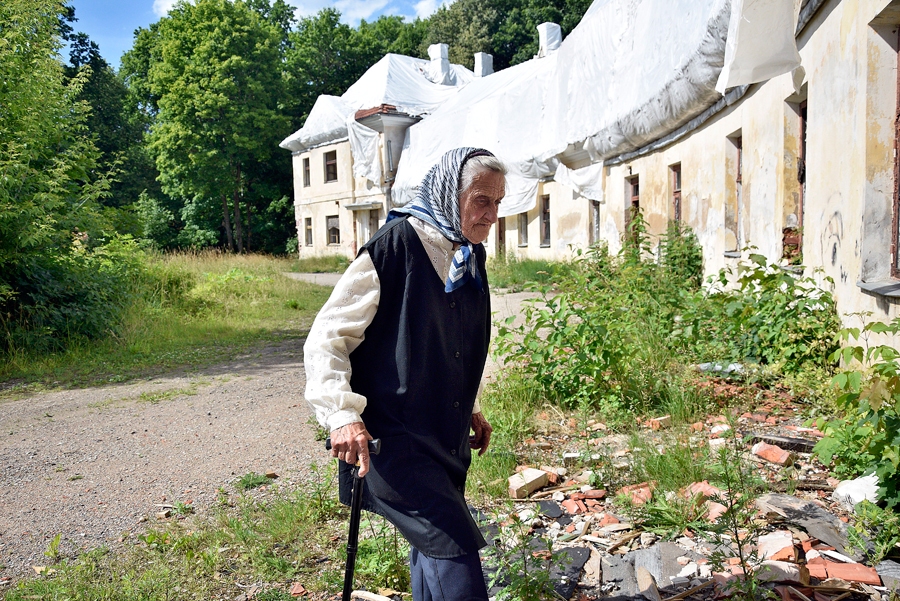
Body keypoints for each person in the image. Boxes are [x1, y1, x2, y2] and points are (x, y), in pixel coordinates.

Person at [303, 147, 506, 601]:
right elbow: (326, 339)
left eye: (498, 202)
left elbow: (448, 343)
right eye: (481, 200)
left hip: (441, 436)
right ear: (448, 193)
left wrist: (469, 407)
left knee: (429, 544)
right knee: (454, 553)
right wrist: (341, 414)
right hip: (396, 438)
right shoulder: (394, 248)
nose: (492, 214)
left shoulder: (467, 255)